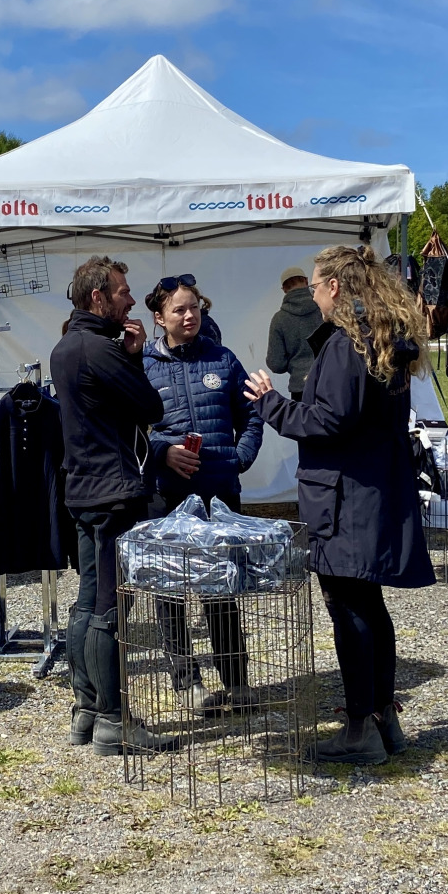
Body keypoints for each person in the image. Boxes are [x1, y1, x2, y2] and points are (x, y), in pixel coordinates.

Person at [246, 244, 433, 765]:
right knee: (368, 604)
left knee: (349, 607)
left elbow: (330, 419)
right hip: (370, 488)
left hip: (346, 495)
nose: (311, 290)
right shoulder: (381, 338)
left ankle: (359, 729)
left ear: (334, 286)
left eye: (314, 282)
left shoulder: (348, 344)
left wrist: (270, 404)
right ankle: (382, 719)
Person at [51, 255, 173, 757]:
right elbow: (150, 407)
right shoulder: (99, 348)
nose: (130, 297)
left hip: (83, 488)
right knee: (107, 610)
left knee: (86, 602)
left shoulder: (65, 346)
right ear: (97, 297)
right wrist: (135, 355)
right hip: (110, 490)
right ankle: (111, 718)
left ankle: (85, 710)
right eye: (122, 291)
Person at [142, 275, 263, 712]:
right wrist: (162, 453)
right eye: (179, 309)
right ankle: (187, 682)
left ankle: (237, 680)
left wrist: (239, 458)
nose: (190, 315)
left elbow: (251, 415)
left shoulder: (223, 358)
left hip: (219, 494)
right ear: (160, 318)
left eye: (194, 307)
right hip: (168, 496)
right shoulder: (143, 366)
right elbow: (133, 432)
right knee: (170, 588)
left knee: (222, 587)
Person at [266, 266, 321, 400]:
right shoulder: (324, 309)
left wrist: (295, 364)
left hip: (300, 387)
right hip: (330, 382)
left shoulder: (279, 319)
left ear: (284, 289)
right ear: (306, 281)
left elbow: (276, 363)